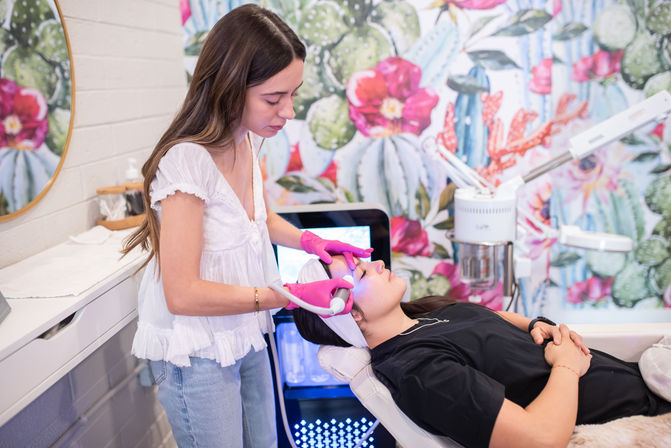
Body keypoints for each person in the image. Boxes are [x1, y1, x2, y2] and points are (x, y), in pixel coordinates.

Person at [121, 5, 372, 447]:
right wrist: (288, 297)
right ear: (230, 87)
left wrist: (310, 241)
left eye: (292, 94)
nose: (288, 111)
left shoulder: (245, 141)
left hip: (242, 331)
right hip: (198, 352)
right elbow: (181, 294)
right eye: (274, 99)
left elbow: (255, 217)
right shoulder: (186, 162)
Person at [292, 256, 671, 448]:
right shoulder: (419, 371)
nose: (377, 264)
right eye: (362, 274)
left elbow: (488, 319)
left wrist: (535, 324)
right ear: (352, 316)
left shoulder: (424, 316)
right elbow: (538, 440)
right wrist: (567, 368)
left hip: (646, 383)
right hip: (645, 417)